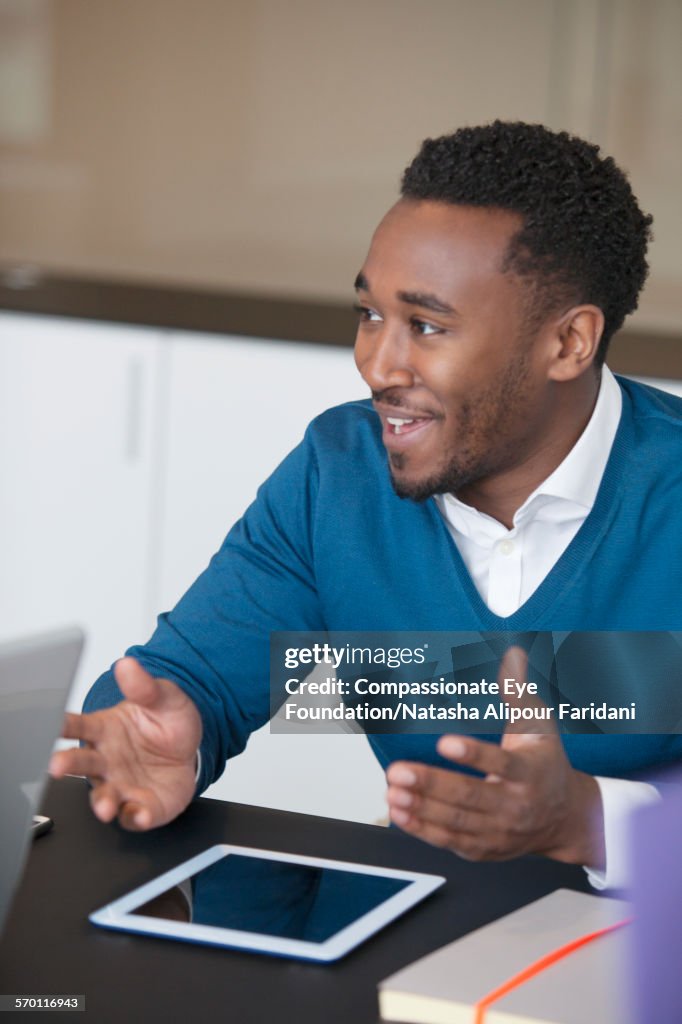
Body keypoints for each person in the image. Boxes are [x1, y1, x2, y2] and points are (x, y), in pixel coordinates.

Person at [50, 120, 682, 889]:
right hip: (419, 927)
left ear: (568, 343)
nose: (377, 364)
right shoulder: (340, 472)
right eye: (370, 314)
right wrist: (169, 732)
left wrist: (583, 820)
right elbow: (195, 681)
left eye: (426, 325)